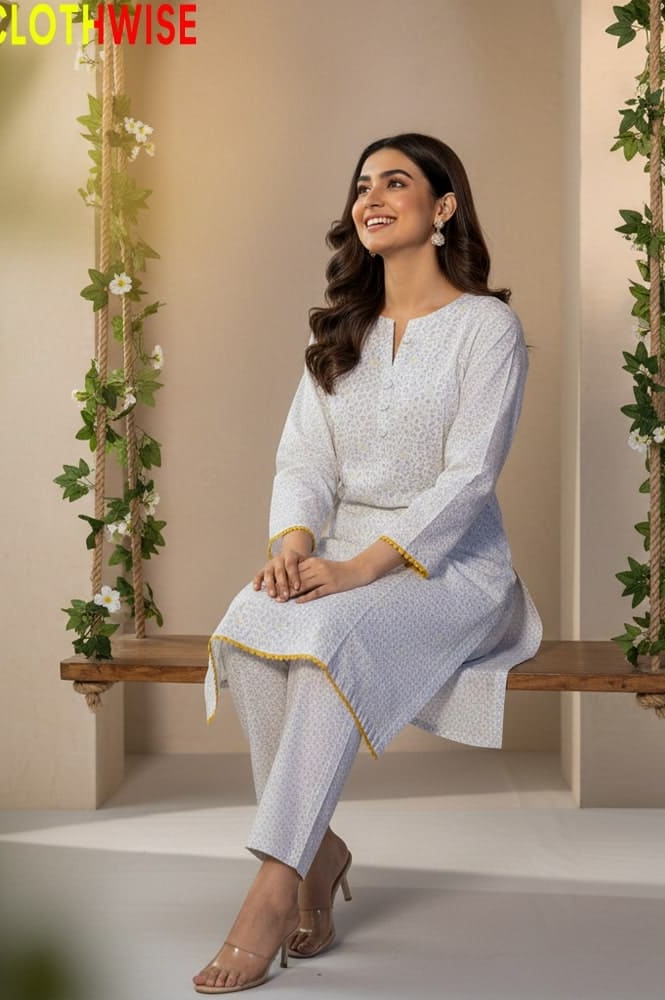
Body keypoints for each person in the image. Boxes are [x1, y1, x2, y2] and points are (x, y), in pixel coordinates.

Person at [193, 132, 542, 993]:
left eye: (397, 182)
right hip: (335, 557)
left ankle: (275, 887)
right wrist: (294, 550)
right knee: (250, 625)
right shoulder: (340, 331)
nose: (373, 197)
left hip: (450, 570)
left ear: (443, 207)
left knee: (328, 640)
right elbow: (303, 463)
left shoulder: (487, 328)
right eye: (362, 186)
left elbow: (470, 480)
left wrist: (359, 571)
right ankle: (320, 847)